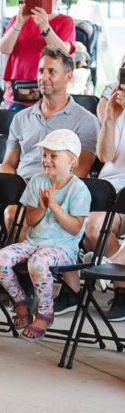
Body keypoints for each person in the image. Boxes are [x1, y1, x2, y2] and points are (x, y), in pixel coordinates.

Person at [0, 48, 98, 308]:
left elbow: (80, 171)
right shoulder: (21, 118)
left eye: (52, 71)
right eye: (41, 70)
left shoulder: (85, 120)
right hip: (23, 187)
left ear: (68, 77)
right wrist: (16, 186)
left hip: (59, 191)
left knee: (14, 214)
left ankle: (20, 284)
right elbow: (9, 164)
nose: (43, 77)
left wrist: (42, 191)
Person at [0, 129, 89, 342]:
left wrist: (54, 206)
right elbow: (30, 220)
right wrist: (43, 208)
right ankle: (21, 303)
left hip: (63, 249)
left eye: (54, 155)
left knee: (37, 262)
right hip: (34, 243)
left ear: (71, 158)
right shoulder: (37, 181)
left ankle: (45, 314)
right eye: (45, 155)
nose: (46, 160)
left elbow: (75, 228)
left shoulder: (78, 189)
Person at [0, 0, 74, 111]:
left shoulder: (65, 21)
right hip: (18, 93)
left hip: (50, 93)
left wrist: (45, 28)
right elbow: (4, 49)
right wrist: (19, 23)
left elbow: (64, 55)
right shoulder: (18, 19)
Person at [93, 81, 125, 321]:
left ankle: (120, 287)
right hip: (107, 190)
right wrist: (110, 119)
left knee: (95, 226)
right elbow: (104, 156)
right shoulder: (117, 108)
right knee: (87, 226)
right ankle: (72, 289)